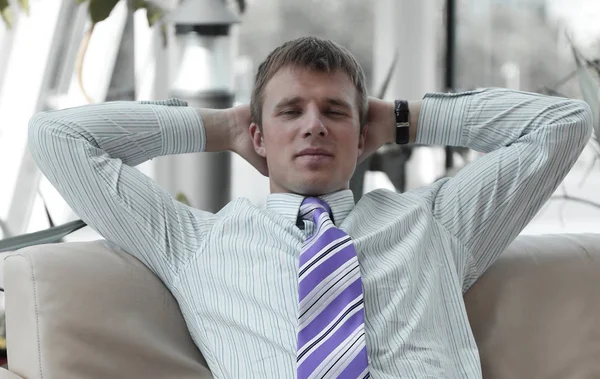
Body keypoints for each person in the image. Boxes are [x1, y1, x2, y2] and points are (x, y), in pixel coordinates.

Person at [28, 36, 592, 378]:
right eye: (290, 111)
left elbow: (562, 125)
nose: (314, 124)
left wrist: (402, 117)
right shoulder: (195, 243)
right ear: (258, 135)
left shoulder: (435, 223)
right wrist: (222, 128)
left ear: (363, 133)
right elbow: (57, 138)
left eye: (335, 112)